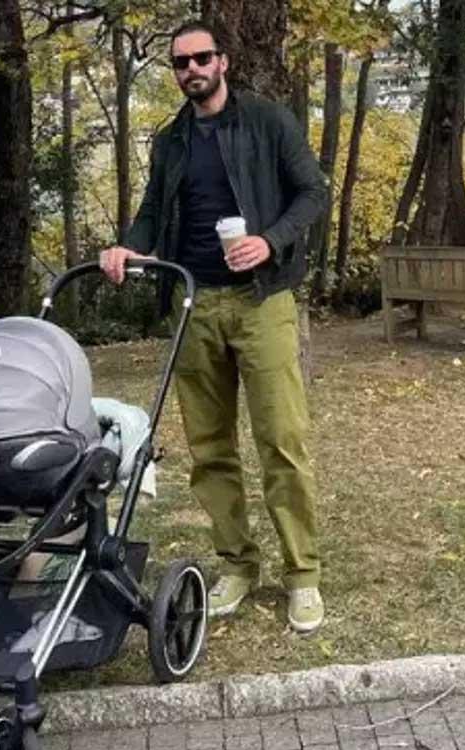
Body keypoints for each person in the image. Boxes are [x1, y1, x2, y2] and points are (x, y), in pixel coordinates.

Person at [99, 20, 328, 633]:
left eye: (202, 58)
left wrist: (270, 240)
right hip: (194, 304)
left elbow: (312, 193)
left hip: (262, 302)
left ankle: (302, 575)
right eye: (181, 63)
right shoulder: (172, 140)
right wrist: (128, 248)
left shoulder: (267, 122)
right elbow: (152, 213)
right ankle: (238, 564)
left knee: (282, 440)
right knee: (210, 449)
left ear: (222, 61)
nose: (192, 69)